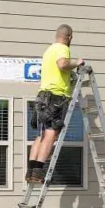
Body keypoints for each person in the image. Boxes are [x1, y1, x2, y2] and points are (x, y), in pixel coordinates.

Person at [25, 24, 85, 183]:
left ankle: (31, 171)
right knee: (50, 135)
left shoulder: (49, 50)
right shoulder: (63, 48)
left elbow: (58, 69)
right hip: (56, 98)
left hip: (43, 96)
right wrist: (77, 62)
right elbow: (63, 64)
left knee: (41, 134)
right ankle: (38, 173)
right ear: (69, 37)